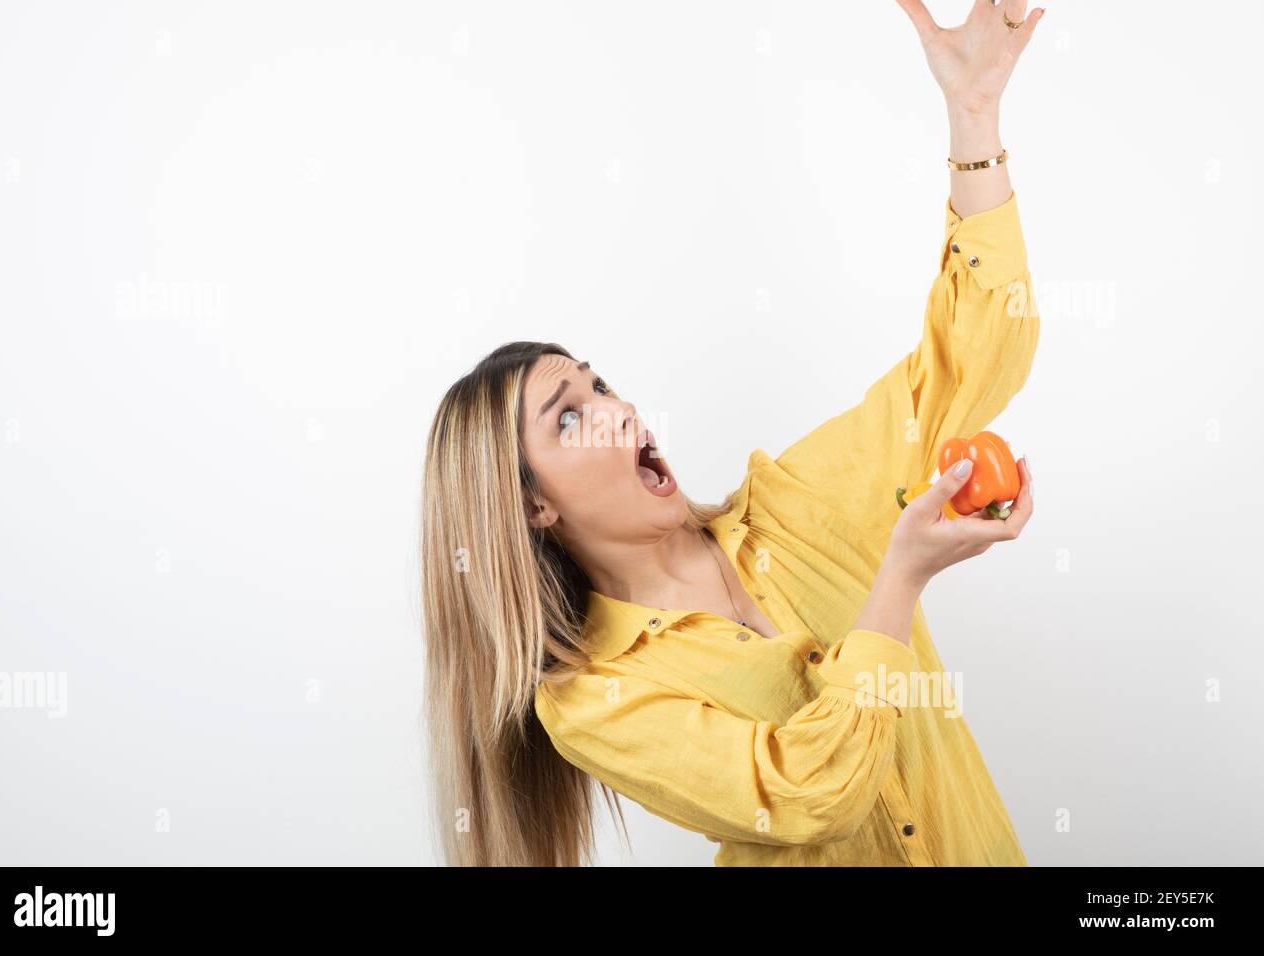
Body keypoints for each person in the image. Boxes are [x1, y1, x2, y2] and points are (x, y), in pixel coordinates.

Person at [422, 0, 1044, 866]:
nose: (620, 409)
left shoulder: (794, 503)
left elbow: (972, 357)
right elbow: (805, 795)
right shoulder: (594, 698)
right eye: (569, 415)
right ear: (531, 506)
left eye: (600, 384)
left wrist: (975, 119)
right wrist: (899, 578)